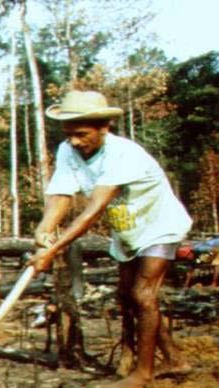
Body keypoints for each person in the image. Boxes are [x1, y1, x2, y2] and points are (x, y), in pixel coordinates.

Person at [28, 90, 192, 387]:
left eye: (82, 134)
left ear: (104, 128)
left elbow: (93, 210)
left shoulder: (123, 154)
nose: (75, 141)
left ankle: (143, 374)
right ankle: (175, 359)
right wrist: (44, 229)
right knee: (128, 296)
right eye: (69, 134)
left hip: (159, 223)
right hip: (127, 229)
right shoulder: (68, 150)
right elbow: (61, 193)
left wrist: (54, 250)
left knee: (143, 295)